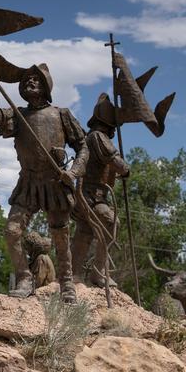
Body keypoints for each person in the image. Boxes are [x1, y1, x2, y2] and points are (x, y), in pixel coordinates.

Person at [0, 64, 84, 302]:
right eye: (26, 79)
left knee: (60, 234)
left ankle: (66, 283)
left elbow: (82, 146)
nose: (30, 82)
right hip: (28, 182)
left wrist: (75, 171)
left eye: (36, 79)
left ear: (46, 85)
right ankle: (24, 277)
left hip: (55, 182)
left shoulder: (61, 114)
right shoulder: (19, 115)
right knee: (12, 231)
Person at [70, 94, 129, 287]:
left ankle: (74, 274)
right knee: (112, 223)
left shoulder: (92, 136)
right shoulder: (98, 136)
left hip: (91, 195)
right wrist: (126, 169)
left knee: (85, 232)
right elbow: (116, 162)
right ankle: (99, 272)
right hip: (91, 196)